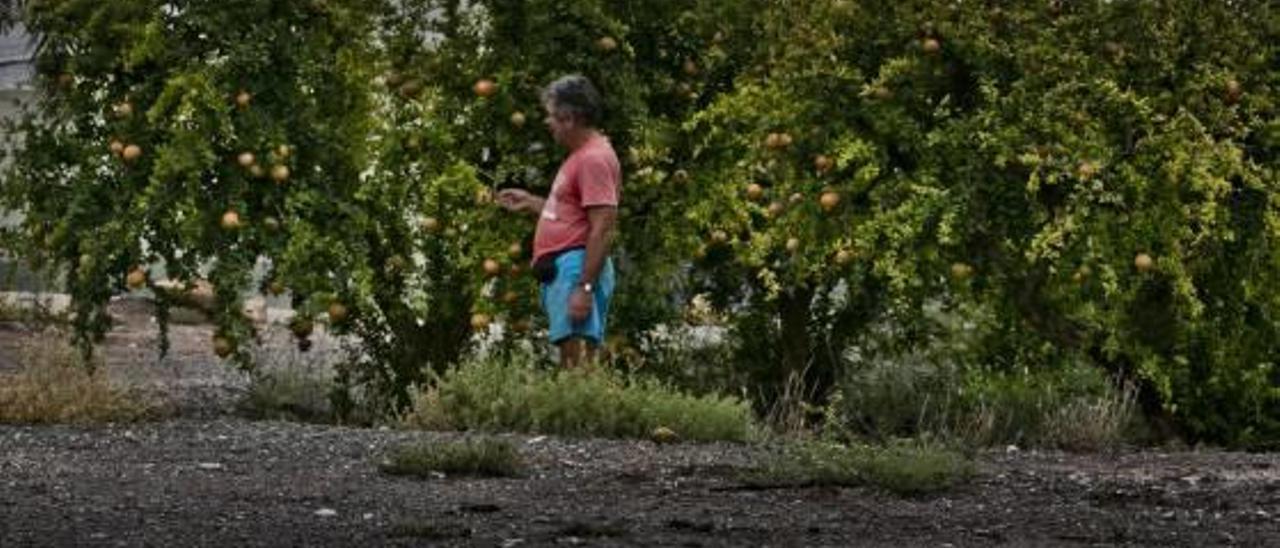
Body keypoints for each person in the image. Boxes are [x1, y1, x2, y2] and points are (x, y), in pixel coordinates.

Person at [497, 75, 620, 369]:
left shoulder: (593, 159)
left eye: (551, 115)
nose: (547, 122)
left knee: (576, 368)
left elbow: (603, 227)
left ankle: (580, 417)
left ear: (570, 118)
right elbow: (569, 214)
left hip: (576, 270)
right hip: (567, 270)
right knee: (570, 363)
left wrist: (584, 287)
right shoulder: (580, 156)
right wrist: (530, 202)